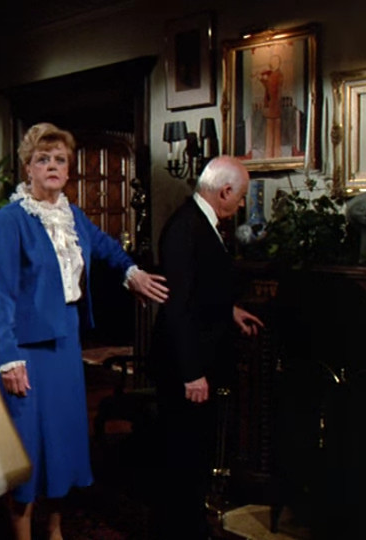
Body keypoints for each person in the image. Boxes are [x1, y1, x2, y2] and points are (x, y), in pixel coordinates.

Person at [0, 122, 169, 540]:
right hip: (26, 353)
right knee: (27, 450)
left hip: (66, 347)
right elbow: (0, 293)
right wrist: (8, 357)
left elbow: (106, 248)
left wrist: (132, 273)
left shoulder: (73, 216)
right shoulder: (11, 220)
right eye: (42, 159)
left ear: (69, 170)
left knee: (62, 447)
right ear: (28, 168)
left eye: (60, 160)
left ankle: (55, 532)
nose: (52, 166)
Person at [149, 155, 265, 539]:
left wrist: (229, 311)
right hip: (186, 366)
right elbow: (178, 306)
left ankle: (191, 526)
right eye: (241, 196)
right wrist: (192, 373)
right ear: (225, 191)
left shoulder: (200, 222)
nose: (241, 204)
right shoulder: (186, 227)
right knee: (183, 456)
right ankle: (180, 531)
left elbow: (200, 289)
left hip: (198, 359)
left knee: (195, 453)